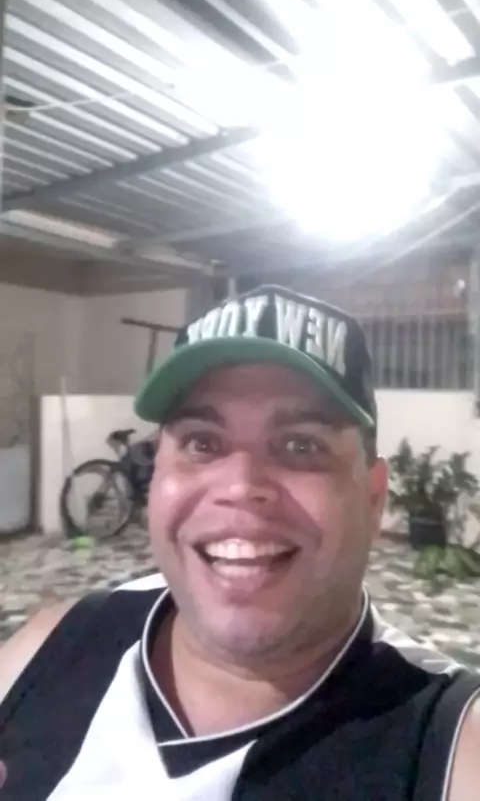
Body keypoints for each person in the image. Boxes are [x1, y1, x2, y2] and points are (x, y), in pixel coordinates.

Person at [1, 284, 479, 801]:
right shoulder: (51, 646)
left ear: (372, 497)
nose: (240, 486)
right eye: (202, 442)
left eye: (301, 445)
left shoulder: (449, 746)